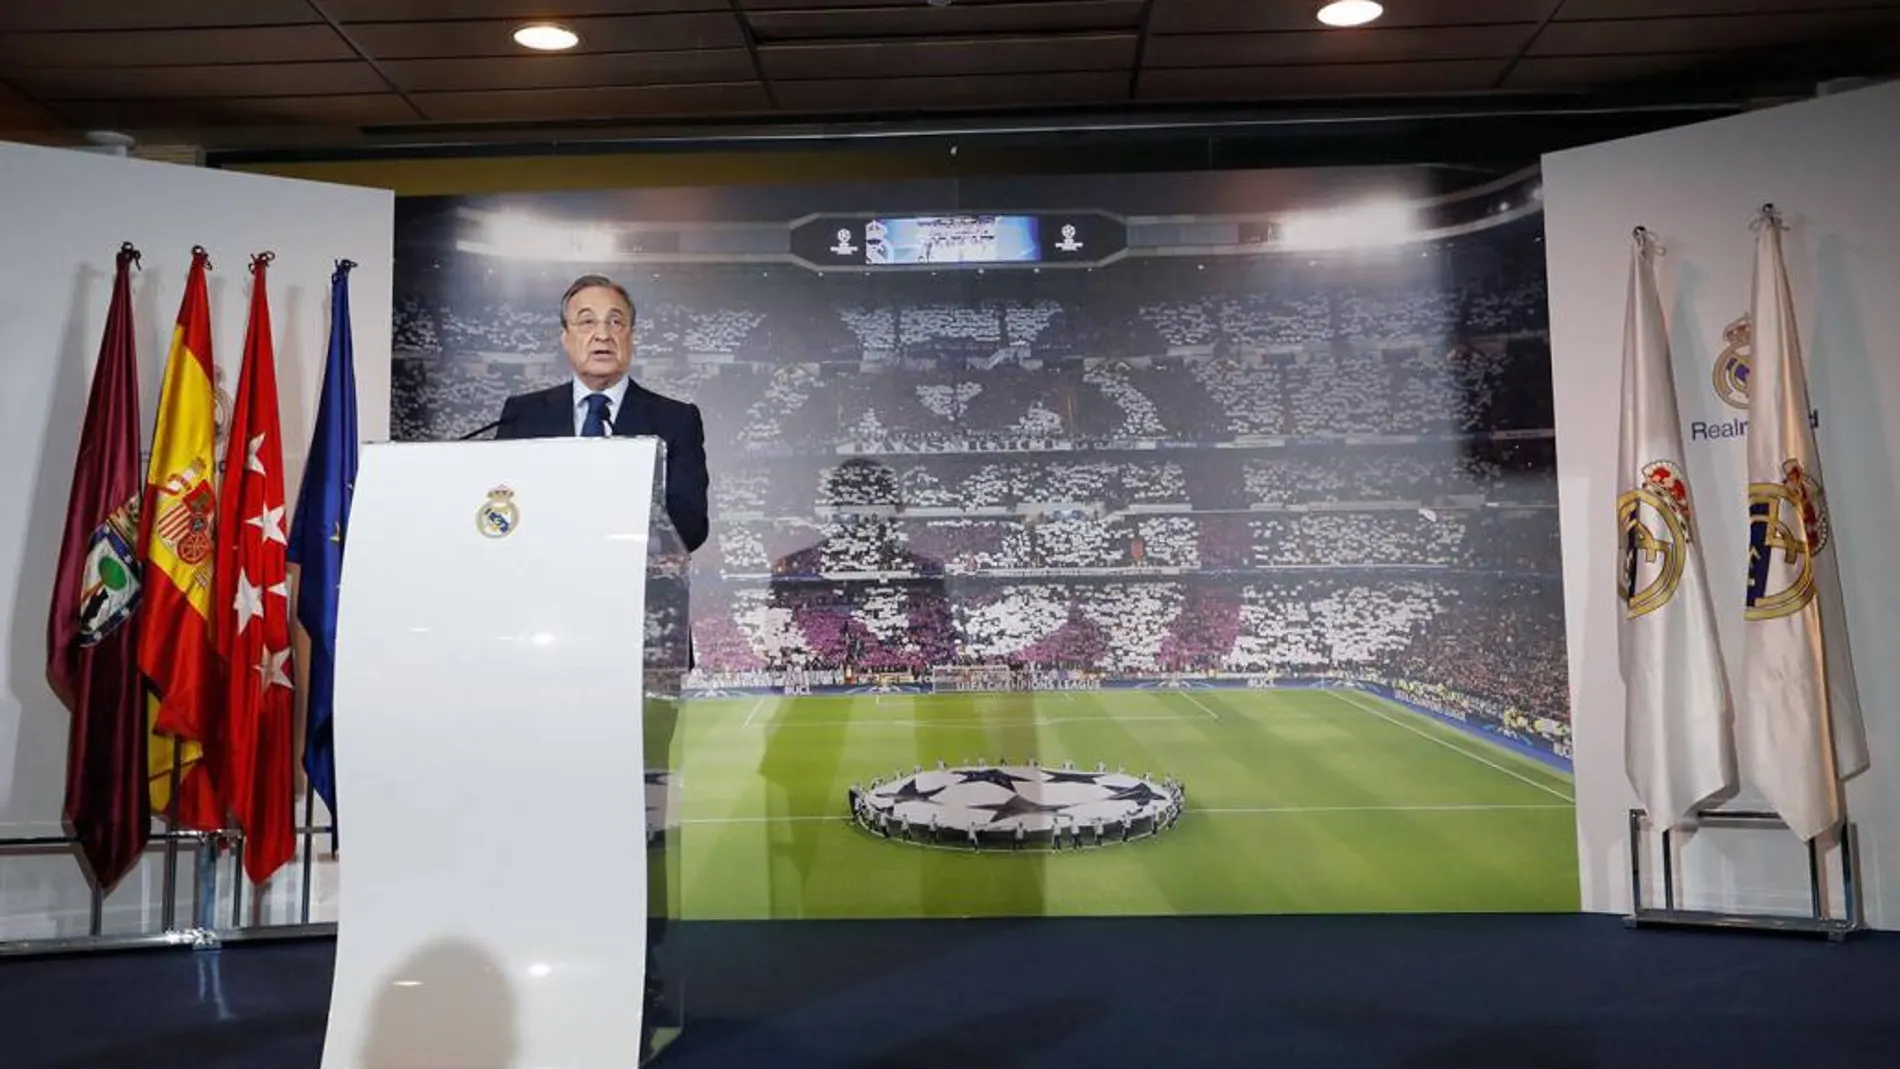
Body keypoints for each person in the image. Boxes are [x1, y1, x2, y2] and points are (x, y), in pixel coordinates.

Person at [494, 273, 710, 553]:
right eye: (587, 321)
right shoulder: (521, 414)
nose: (603, 335)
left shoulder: (677, 420)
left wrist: (614, 538)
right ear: (565, 338)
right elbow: (501, 503)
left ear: (631, 337)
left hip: (633, 585)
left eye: (616, 322)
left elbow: (691, 525)